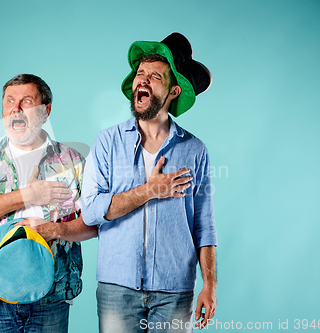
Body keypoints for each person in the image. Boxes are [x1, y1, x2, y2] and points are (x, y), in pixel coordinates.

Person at [81, 32, 218, 332]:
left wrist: (210, 285)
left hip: (174, 291)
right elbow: (90, 212)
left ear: (173, 92)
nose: (142, 80)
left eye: (155, 76)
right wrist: (149, 191)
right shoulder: (106, 143)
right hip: (117, 288)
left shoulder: (195, 151)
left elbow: (204, 226)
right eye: (139, 73)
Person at [0, 74, 97, 333]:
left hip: (53, 291)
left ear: (46, 110)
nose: (15, 109)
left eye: (26, 101)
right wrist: (27, 195)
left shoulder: (72, 161)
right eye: (9, 101)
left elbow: (93, 223)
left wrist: (56, 230)